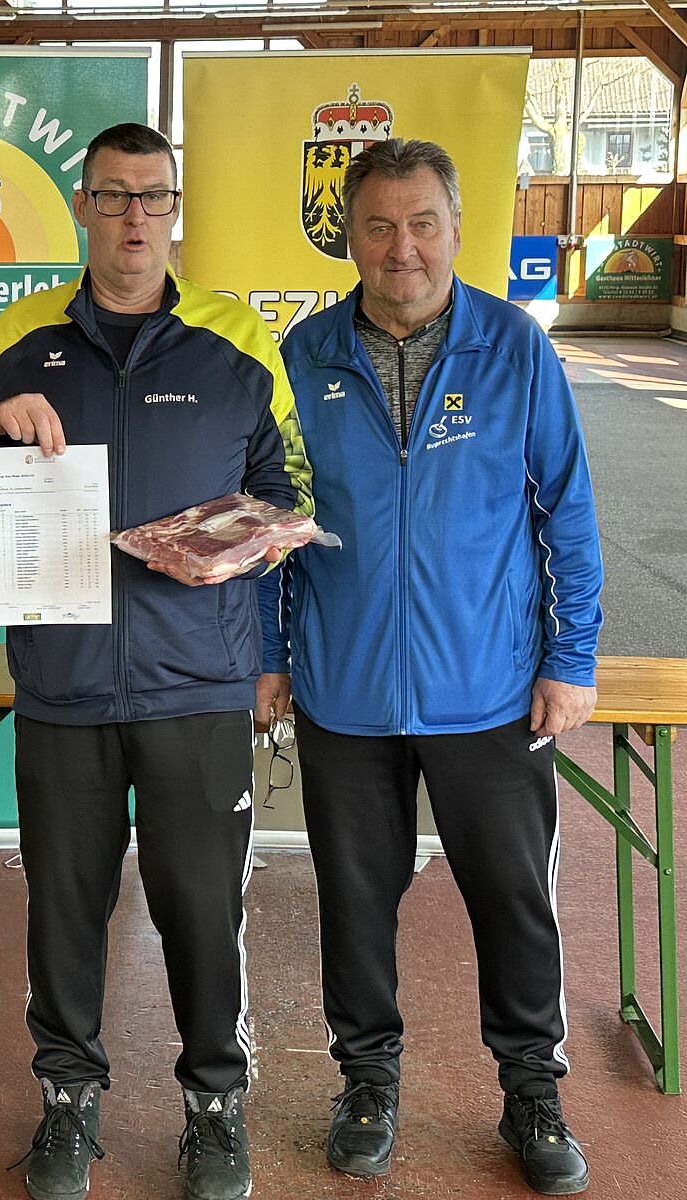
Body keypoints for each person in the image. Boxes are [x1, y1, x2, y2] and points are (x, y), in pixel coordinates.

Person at [0, 122, 313, 1200]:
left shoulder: (237, 341)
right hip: (66, 684)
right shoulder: (22, 331)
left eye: (153, 197)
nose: (134, 217)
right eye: (112, 196)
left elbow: (291, 502)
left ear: (174, 209)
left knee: (202, 908)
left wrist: (235, 548)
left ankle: (214, 1106)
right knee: (65, 907)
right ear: (82, 207)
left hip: (198, 685)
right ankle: (67, 1099)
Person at [256, 138, 602, 1196]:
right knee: (355, 902)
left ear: (455, 229)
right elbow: (271, 524)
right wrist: (270, 656)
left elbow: (567, 511)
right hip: (345, 691)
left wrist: (570, 656)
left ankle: (531, 1090)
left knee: (513, 902)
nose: (400, 247)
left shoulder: (514, 347)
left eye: (421, 224)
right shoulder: (305, 354)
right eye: (378, 226)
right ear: (348, 238)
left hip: (489, 690)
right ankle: (367, 1083)